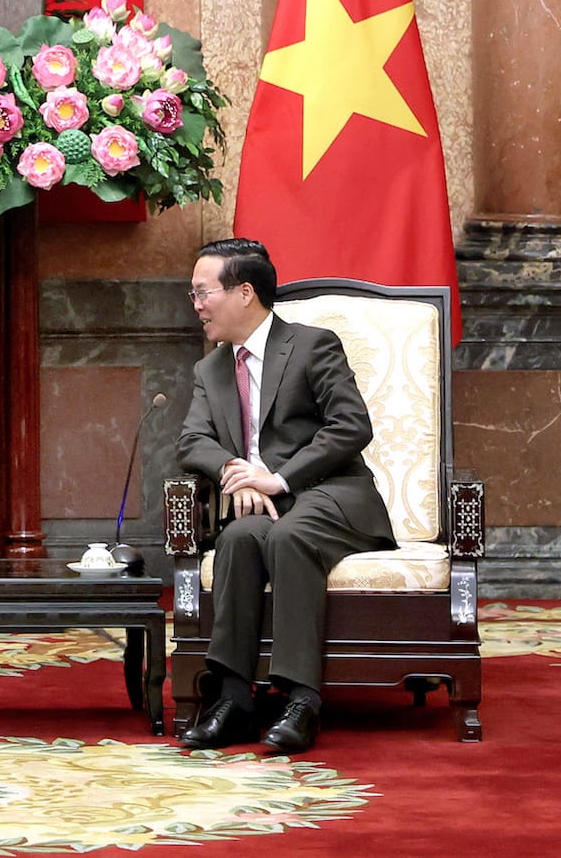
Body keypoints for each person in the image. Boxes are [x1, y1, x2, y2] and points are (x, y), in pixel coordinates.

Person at [174, 238, 395, 754]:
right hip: (265, 504)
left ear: (244, 292)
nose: (197, 304)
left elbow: (351, 427)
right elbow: (191, 440)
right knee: (239, 539)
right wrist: (236, 470)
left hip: (331, 494)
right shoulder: (210, 369)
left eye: (202, 292)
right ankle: (233, 698)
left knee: (290, 537)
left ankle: (301, 699)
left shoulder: (313, 345)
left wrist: (276, 477)